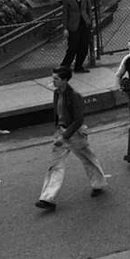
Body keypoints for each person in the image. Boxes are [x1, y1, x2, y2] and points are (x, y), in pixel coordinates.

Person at [35, 67, 107, 211]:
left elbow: (79, 120)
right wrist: (58, 131)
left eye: (56, 79)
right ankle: (47, 198)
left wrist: (65, 135)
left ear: (65, 80)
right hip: (61, 132)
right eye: (53, 78)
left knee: (87, 158)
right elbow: (57, 113)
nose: (53, 81)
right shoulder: (56, 93)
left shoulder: (75, 96)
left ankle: (98, 183)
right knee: (56, 165)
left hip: (73, 133)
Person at [60, 0, 92, 73]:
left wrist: (89, 21)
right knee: (73, 47)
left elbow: (89, 10)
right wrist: (65, 28)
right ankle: (64, 67)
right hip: (73, 25)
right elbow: (65, 14)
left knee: (84, 47)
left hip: (84, 24)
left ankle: (78, 66)